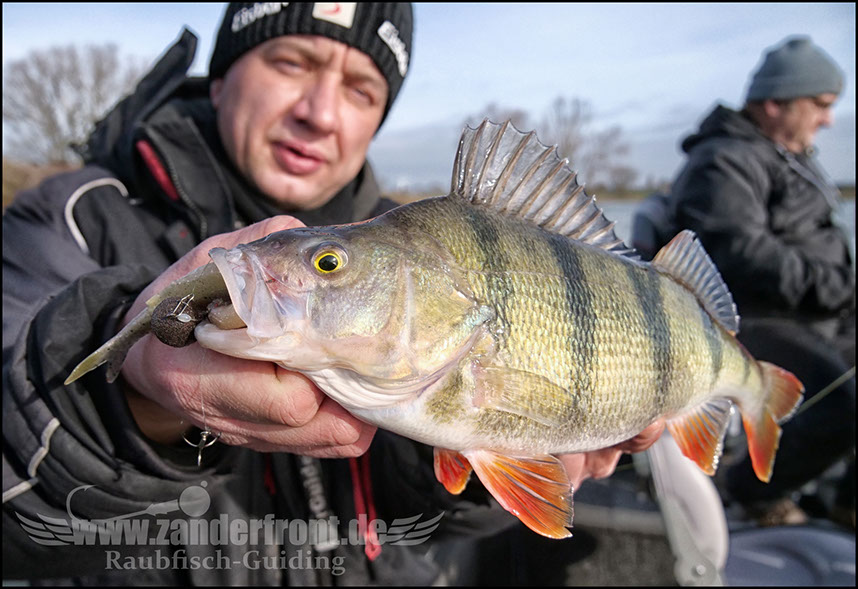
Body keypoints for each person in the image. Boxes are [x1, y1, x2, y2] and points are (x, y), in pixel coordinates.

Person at [3, 3, 664, 585]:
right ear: (224, 71)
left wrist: (487, 468)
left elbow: (427, 519)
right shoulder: (68, 220)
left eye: (360, 89)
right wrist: (125, 402)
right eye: (292, 61)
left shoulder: (414, 244)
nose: (320, 112)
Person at [632, 36, 855, 528]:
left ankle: (843, 503)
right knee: (843, 404)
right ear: (776, 103)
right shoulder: (724, 161)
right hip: (751, 319)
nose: (829, 119)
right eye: (820, 105)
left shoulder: (789, 156)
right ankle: (749, 493)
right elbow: (743, 255)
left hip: (819, 313)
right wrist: (839, 287)